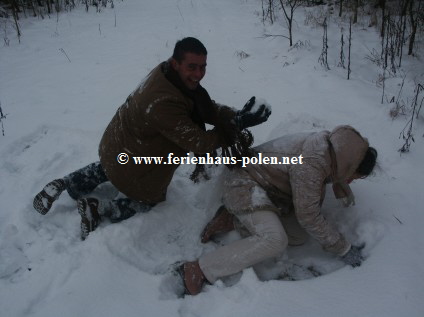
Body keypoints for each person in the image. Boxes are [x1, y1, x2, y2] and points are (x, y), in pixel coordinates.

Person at [33, 37, 271, 240]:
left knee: (118, 163)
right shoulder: (162, 101)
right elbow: (201, 143)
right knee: (150, 198)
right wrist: (237, 125)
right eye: (192, 67)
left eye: (203, 66)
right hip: (131, 158)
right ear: (176, 63)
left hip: (115, 147)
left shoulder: (168, 75)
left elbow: (201, 107)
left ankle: (68, 183)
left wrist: (235, 115)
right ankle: (101, 208)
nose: (198, 74)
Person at [177, 125, 378, 295]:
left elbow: (330, 174)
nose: (350, 180)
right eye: (352, 175)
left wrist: (340, 182)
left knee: (298, 236)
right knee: (275, 240)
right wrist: (344, 248)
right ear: (348, 163)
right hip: (244, 184)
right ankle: (198, 268)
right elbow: (309, 216)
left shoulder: (332, 147)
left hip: (267, 189)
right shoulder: (313, 162)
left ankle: (233, 218)